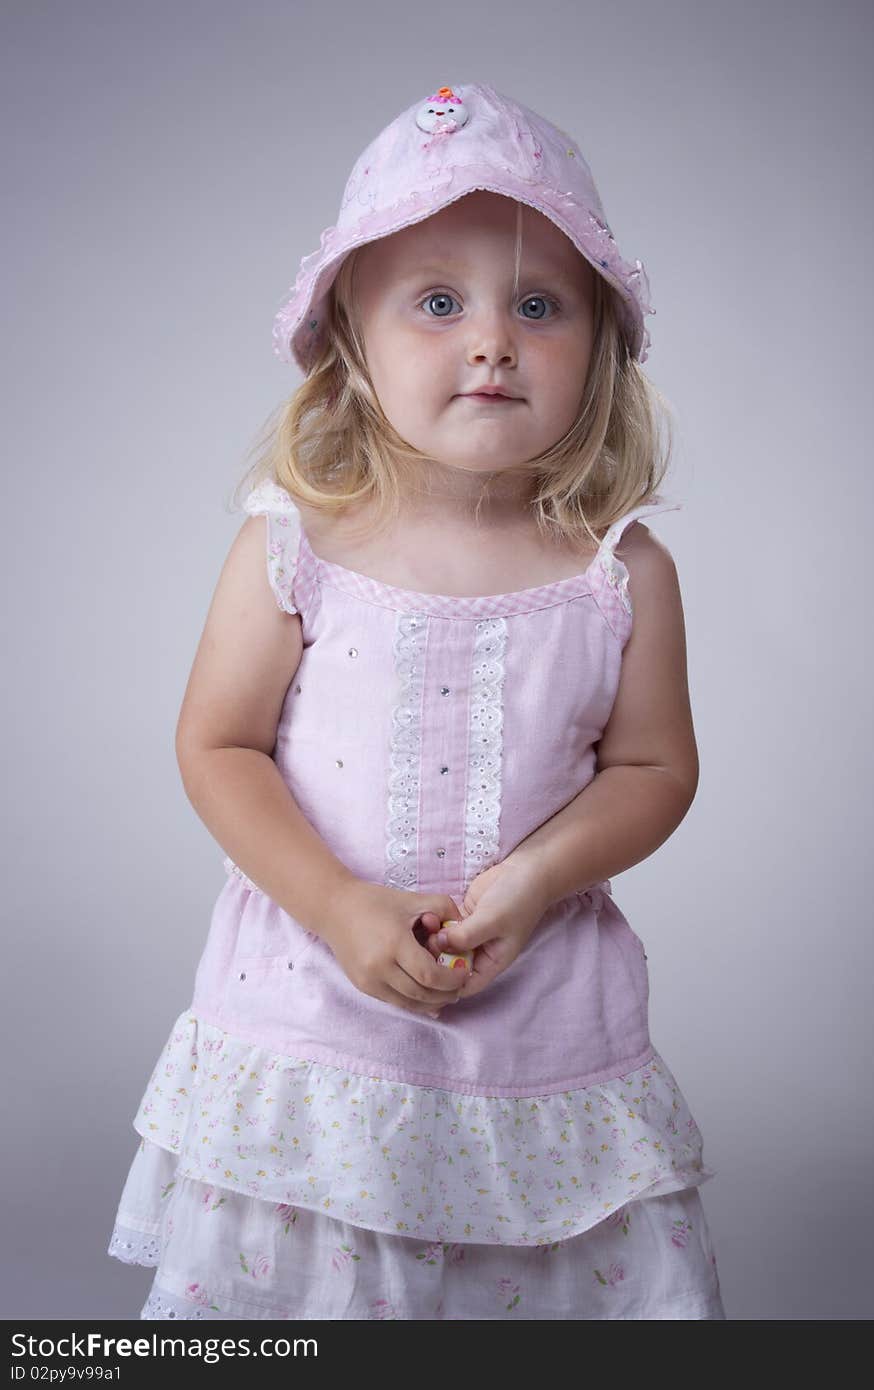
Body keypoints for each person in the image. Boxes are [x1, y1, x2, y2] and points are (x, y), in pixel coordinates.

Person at [107, 81, 726, 1320]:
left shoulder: (619, 573)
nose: (492, 340)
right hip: (311, 1008)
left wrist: (537, 882)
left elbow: (653, 770)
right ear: (349, 337)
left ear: (600, 345)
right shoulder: (297, 543)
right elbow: (218, 741)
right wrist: (334, 904)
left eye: (539, 306)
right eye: (438, 303)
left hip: (539, 1016)